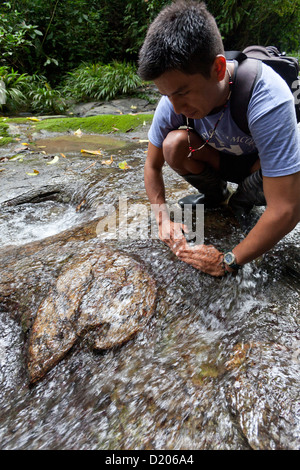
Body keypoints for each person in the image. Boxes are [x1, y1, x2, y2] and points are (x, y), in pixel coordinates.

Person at [138, 0, 300, 277]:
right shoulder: (173, 101)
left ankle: (243, 201)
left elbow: (287, 208)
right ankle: (218, 196)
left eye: (182, 93)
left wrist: (229, 260)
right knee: (173, 144)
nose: (175, 108)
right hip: (221, 161)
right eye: (166, 95)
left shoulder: (266, 97)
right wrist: (162, 219)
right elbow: (152, 166)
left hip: (260, 170)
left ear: (218, 68)